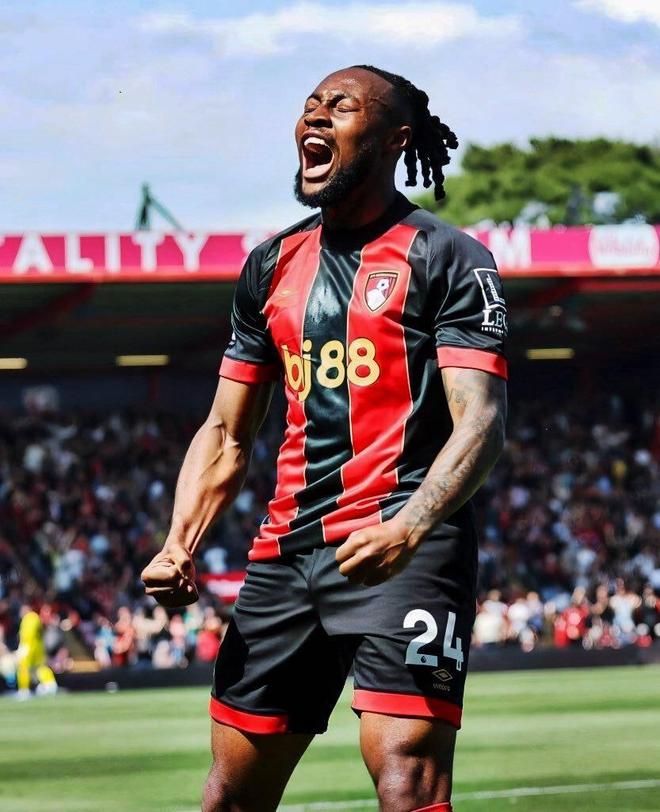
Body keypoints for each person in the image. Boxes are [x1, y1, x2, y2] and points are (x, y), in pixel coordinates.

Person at [142, 65, 508, 812]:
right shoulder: (271, 265)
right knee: (231, 796)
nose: (315, 117)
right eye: (310, 106)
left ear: (394, 139)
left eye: (340, 107)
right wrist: (180, 542)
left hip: (404, 547)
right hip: (286, 554)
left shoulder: (447, 256)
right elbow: (226, 430)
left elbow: (481, 420)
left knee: (407, 780)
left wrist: (408, 529)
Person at [15, 604, 57, 699]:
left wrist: (23, 647)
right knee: (39, 668)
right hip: (38, 648)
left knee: (23, 668)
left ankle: (24, 690)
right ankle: (50, 684)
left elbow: (28, 634)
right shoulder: (36, 617)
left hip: (29, 648)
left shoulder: (29, 618)